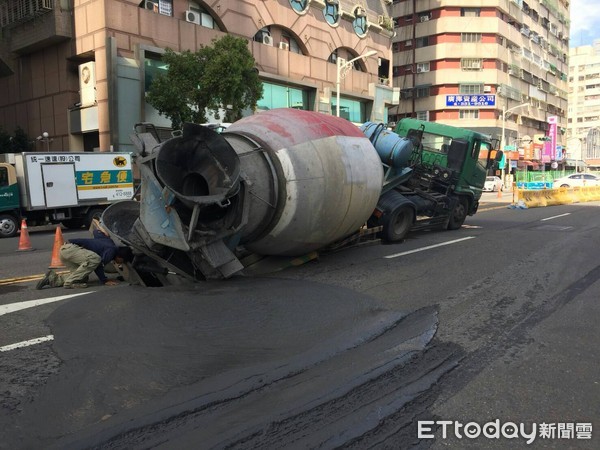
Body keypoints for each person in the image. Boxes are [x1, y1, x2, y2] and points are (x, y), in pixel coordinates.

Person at [36, 228, 133, 290]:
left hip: (65, 250)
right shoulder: (112, 251)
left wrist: (102, 230)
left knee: (82, 278)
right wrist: (105, 280)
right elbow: (98, 264)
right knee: (96, 259)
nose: (121, 263)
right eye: (122, 261)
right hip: (72, 250)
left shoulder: (108, 241)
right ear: (120, 257)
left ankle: (51, 279)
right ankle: (69, 283)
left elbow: (96, 231)